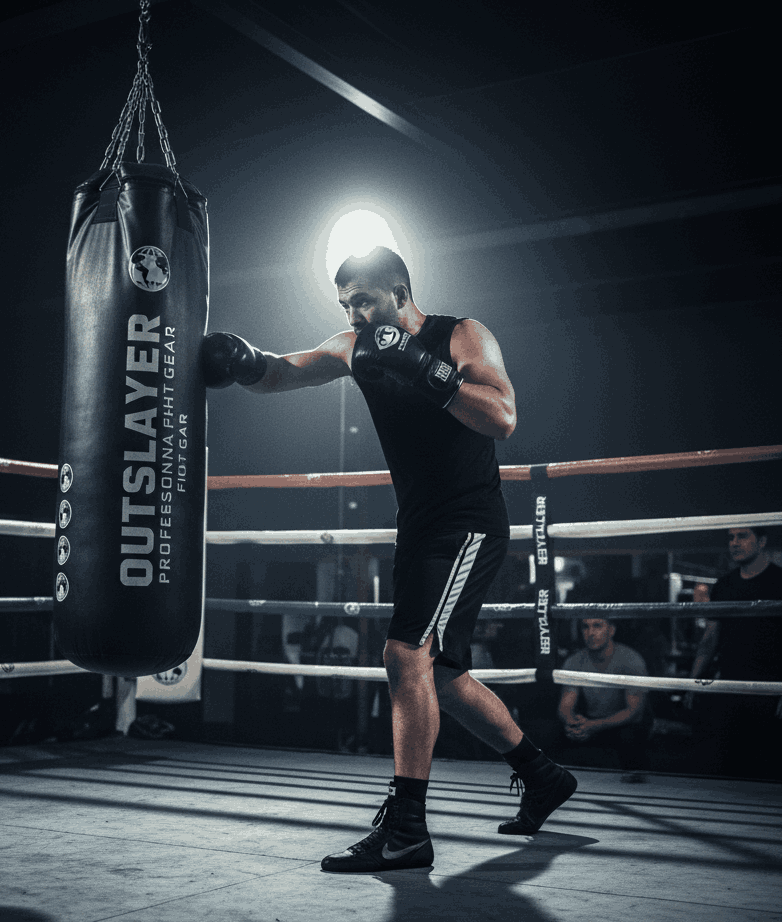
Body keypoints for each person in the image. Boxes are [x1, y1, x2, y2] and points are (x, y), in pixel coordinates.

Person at [203, 246, 576, 873]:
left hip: (468, 524)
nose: (353, 315)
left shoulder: (461, 335)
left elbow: (503, 417)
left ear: (400, 294)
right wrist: (240, 362)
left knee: (405, 656)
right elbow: (284, 372)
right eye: (345, 304)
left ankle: (406, 830)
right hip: (420, 527)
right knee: (442, 675)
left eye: (363, 301)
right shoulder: (354, 348)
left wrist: (424, 369)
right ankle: (542, 776)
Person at [689, 526, 782, 778]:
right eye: (730, 537)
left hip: (770, 686)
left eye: (742, 536)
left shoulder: (779, 581)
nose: (734, 543)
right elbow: (711, 637)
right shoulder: (724, 585)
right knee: (729, 762)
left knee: (768, 765)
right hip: (730, 683)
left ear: (761, 541)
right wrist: (692, 682)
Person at [557, 618, 651, 778]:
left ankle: (636, 783)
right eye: (585, 627)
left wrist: (593, 726)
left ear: (611, 630)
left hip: (624, 723)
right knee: (551, 733)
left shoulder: (631, 659)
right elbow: (565, 706)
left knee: (629, 736)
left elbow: (634, 712)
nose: (590, 633)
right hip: (591, 721)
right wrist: (573, 724)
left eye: (597, 626)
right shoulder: (574, 661)